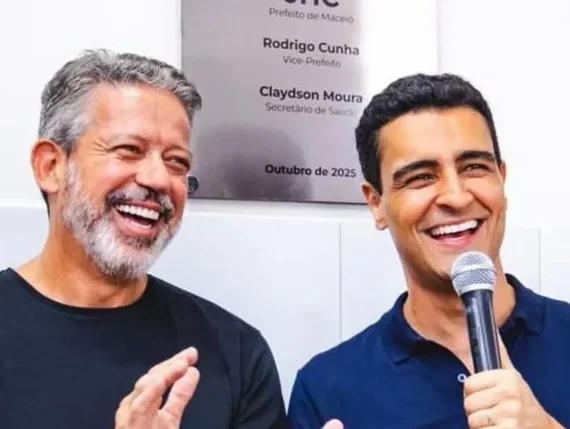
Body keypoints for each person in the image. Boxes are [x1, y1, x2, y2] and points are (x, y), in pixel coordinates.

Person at [0, 49, 288, 429]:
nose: (158, 179)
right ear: (51, 166)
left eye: (177, 162)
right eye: (129, 151)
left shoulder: (236, 353)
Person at [287, 74, 570, 428]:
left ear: (502, 178)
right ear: (376, 203)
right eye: (420, 176)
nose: (456, 196)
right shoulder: (327, 390)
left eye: (474, 167)